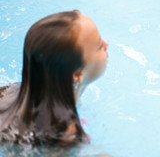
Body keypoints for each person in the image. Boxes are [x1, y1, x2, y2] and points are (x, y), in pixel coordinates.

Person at [0, 10, 108, 146]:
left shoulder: (9, 91)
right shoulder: (65, 132)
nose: (106, 44)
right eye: (99, 46)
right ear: (76, 74)